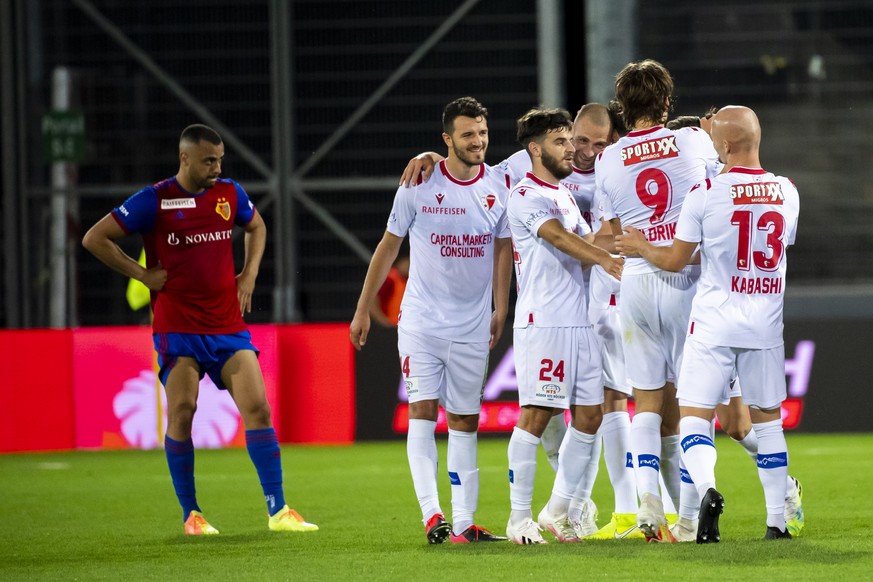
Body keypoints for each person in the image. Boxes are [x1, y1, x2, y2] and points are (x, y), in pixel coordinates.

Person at [82, 124, 317, 535]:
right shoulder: (155, 199)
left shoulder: (229, 194)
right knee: (183, 410)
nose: (217, 167)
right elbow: (94, 238)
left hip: (227, 325)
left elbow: (257, 227)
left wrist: (249, 275)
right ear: (185, 158)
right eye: (209, 160)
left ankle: (278, 511)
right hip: (178, 328)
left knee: (258, 408)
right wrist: (141, 274)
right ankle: (192, 514)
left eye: (221, 159)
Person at [615, 105, 801, 542]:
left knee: (695, 417)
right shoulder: (788, 191)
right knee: (768, 422)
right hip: (764, 323)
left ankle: (708, 491)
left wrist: (641, 246)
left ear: (725, 146)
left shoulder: (706, 193)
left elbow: (677, 259)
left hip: (714, 322)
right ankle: (777, 520)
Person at [350, 96, 512, 544]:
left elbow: (503, 250)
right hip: (421, 322)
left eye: (481, 132)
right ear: (447, 140)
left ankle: (463, 523)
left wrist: (501, 307)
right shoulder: (418, 184)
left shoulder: (499, 184)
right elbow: (388, 246)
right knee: (421, 411)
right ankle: (432, 515)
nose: (477, 141)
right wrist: (363, 308)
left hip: (473, 324)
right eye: (467, 134)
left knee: (464, 420)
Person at [595, 59, 722, 542]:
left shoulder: (608, 160)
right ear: (667, 103)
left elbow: (611, 233)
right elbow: (722, 185)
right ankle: (689, 518)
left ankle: (649, 504)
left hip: (635, 284)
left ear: (624, 110)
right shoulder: (693, 141)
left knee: (646, 402)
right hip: (685, 279)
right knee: (693, 405)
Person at [504, 106, 622, 544]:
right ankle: (519, 520)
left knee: (591, 415)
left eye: (570, 140)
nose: (571, 149)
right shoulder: (526, 194)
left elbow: (587, 240)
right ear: (535, 149)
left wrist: (624, 236)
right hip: (545, 321)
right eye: (561, 141)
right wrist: (604, 257)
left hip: (580, 321)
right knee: (537, 415)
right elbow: (557, 237)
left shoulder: (566, 195)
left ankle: (558, 510)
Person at [369, 254, 409, 327]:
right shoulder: (390, 279)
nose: (408, 266)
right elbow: (372, 302)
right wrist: (384, 321)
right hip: (393, 325)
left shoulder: (413, 280)